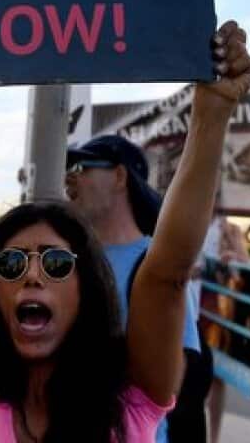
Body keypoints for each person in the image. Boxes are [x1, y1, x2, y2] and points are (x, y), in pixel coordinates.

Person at [0, 9, 250, 442]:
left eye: (57, 263)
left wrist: (213, 113)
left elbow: (168, 274)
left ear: (86, 288)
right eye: (12, 265)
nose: (33, 276)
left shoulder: (131, 395)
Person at [64, 133, 210, 443]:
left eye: (81, 168)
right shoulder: (64, 261)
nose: (69, 179)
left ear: (119, 176)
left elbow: (168, 386)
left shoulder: (156, 267)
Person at [198, 209, 248, 443]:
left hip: (216, 306)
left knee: (217, 377)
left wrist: (234, 258)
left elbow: (245, 269)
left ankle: (214, 437)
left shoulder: (231, 230)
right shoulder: (188, 218)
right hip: (190, 302)